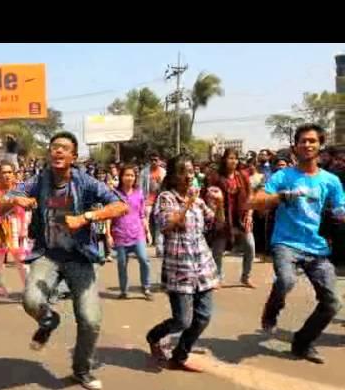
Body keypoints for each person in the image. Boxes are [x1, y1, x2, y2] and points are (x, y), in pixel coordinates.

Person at [12, 131, 128, 390]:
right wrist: (15, 199)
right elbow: (5, 198)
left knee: (90, 319)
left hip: (79, 257)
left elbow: (121, 206)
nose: (58, 151)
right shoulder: (39, 181)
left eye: (64, 148)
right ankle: (49, 320)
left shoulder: (85, 182)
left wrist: (86, 217)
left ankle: (81, 369)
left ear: (73, 157)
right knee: (31, 301)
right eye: (54, 147)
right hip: (48, 255)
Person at [251, 124, 345, 364]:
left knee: (332, 303)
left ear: (320, 146)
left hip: (317, 247)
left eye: (312, 141)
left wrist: (339, 215)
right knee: (286, 280)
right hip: (286, 243)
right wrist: (282, 196)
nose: (308, 144)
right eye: (303, 141)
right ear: (295, 146)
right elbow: (258, 200)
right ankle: (272, 307)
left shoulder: (331, 180)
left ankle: (302, 343)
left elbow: (339, 208)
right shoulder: (283, 176)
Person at [146, 155, 224, 372]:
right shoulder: (166, 198)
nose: (189, 176)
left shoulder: (199, 201)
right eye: (183, 171)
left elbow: (217, 225)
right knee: (183, 321)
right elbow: (167, 225)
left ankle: (180, 355)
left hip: (202, 266)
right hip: (179, 268)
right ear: (172, 175)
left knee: (204, 316)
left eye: (191, 171)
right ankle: (154, 336)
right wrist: (188, 202)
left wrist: (220, 204)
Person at [205, 148, 256, 287]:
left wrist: (250, 214)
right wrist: (214, 214)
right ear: (224, 160)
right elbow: (209, 197)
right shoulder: (215, 177)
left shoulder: (242, 176)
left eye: (235, 158)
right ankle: (218, 277)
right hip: (222, 217)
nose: (233, 161)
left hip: (241, 217)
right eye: (230, 158)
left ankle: (246, 276)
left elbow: (251, 196)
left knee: (250, 246)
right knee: (218, 250)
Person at [0, 160, 27, 307]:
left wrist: (24, 229)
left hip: (17, 228)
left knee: (22, 262)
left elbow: (26, 212)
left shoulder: (20, 190)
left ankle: (29, 292)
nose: (7, 175)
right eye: (3, 172)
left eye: (10, 172)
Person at [111, 164, 152, 300]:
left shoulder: (139, 193)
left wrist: (148, 232)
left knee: (144, 259)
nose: (129, 178)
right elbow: (109, 214)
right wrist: (107, 235)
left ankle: (146, 287)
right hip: (120, 235)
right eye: (126, 175)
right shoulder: (114, 194)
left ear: (135, 178)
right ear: (121, 177)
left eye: (132, 175)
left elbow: (142, 214)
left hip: (137, 233)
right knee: (122, 264)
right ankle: (124, 290)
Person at [140, 152, 166, 257]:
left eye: (156, 160)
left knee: (159, 223)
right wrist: (141, 201)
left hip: (160, 199)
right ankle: (142, 246)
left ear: (159, 160)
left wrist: (161, 183)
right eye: (152, 160)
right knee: (144, 222)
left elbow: (166, 186)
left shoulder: (163, 172)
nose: (154, 162)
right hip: (147, 200)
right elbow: (140, 187)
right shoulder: (144, 172)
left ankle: (159, 248)